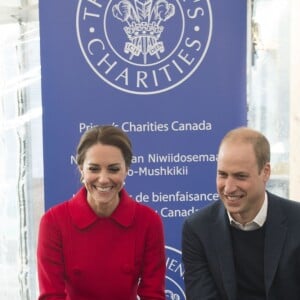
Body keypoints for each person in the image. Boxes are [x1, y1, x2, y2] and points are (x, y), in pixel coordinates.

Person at [37, 125, 166, 300]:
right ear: (81, 169)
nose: (103, 179)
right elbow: (52, 296)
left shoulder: (148, 221)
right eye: (94, 169)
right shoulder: (54, 221)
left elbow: (153, 294)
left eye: (113, 169)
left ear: (126, 169)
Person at [182, 127, 300, 300]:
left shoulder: (297, 221)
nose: (229, 188)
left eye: (240, 176)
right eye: (222, 175)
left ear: (265, 172)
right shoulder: (198, 229)